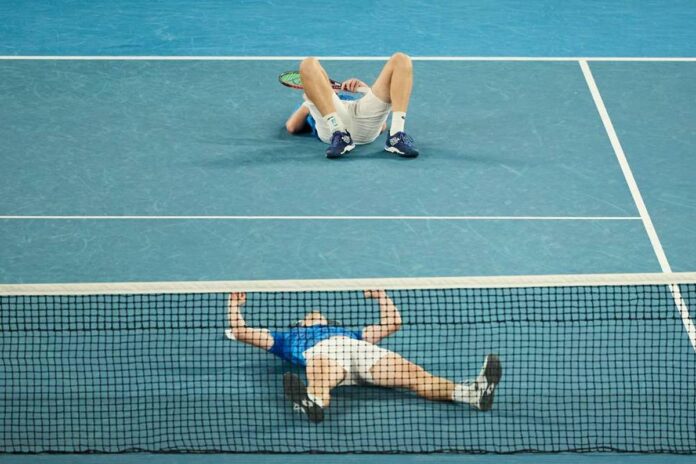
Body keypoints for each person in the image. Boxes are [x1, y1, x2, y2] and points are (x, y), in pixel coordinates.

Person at [226, 290, 502, 423]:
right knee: (321, 374)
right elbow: (240, 331)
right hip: (323, 354)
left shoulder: (351, 332)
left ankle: (470, 394)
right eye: (309, 316)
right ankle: (312, 402)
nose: (314, 314)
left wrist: (381, 296)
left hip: (361, 352)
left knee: (415, 375)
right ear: (300, 323)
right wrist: (233, 305)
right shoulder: (285, 339)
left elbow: (392, 323)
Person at [284, 53, 420, 159]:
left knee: (401, 59)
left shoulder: (351, 98)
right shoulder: (311, 103)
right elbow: (292, 126)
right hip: (333, 125)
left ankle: (396, 136)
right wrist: (313, 100)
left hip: (362, 121)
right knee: (308, 63)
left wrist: (365, 90)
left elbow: (382, 126)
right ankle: (339, 134)